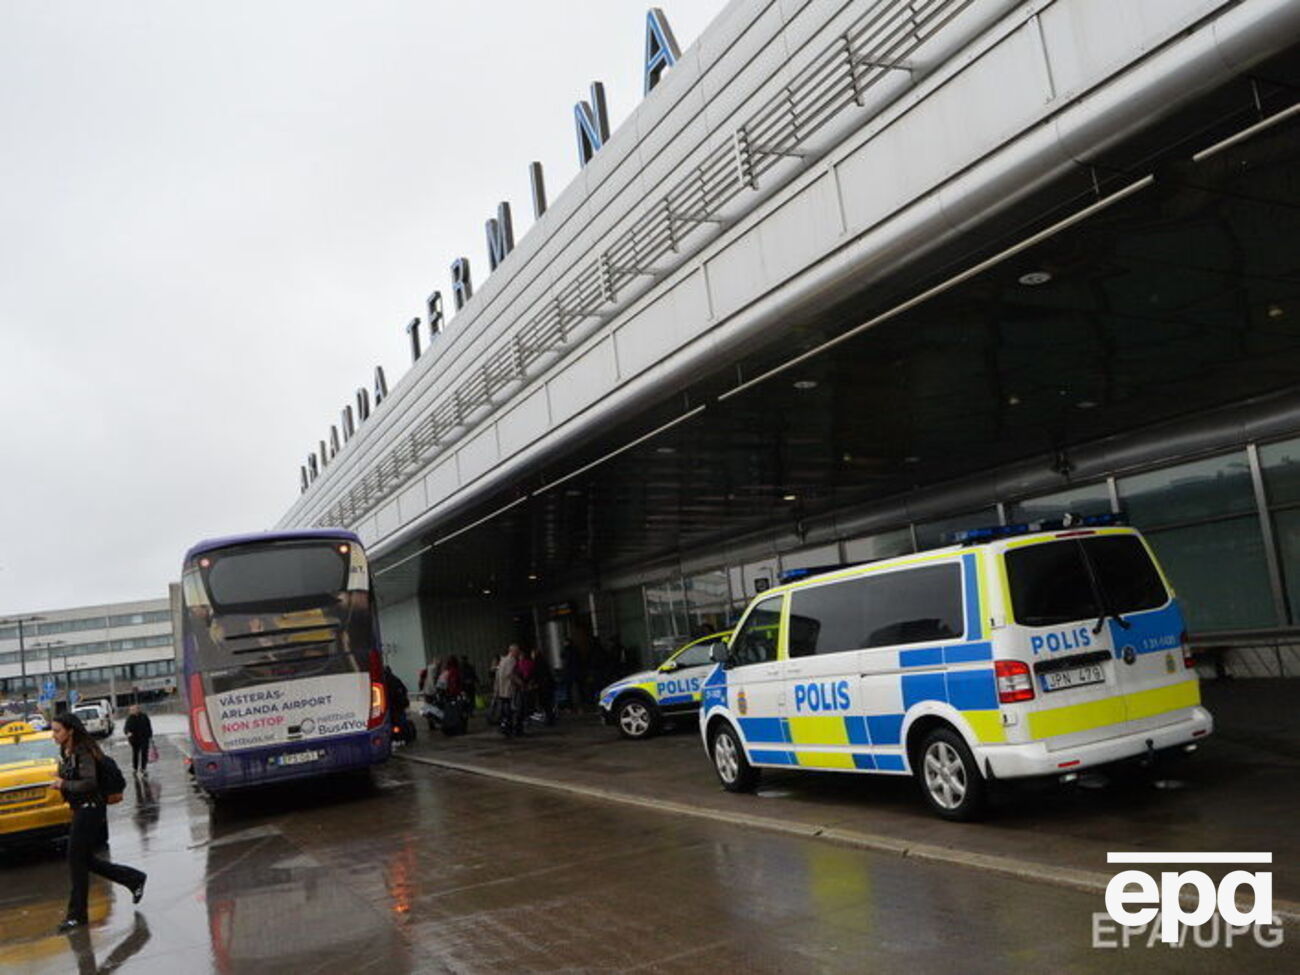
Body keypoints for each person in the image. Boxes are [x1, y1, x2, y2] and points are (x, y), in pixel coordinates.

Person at [51, 712, 146, 933]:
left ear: (70, 730)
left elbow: (89, 783)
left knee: (76, 860)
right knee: (83, 860)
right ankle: (134, 878)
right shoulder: (66, 750)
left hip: (90, 809)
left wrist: (62, 784)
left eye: (57, 730)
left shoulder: (82, 750)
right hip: (81, 810)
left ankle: (77, 916)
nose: (53, 735)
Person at [493, 644, 520, 737]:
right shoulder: (511, 660)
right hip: (509, 689)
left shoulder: (503, 660)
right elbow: (510, 674)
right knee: (511, 710)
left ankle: (505, 727)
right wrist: (519, 682)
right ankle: (510, 728)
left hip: (502, 689)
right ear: (512, 651)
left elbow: (498, 675)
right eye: (517, 651)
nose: (518, 653)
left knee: (505, 710)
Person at [123, 705, 153, 777]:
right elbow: (126, 728)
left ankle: (143, 768)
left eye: (133, 709)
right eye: (131, 710)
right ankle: (135, 768)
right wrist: (128, 733)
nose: (132, 711)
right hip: (134, 739)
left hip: (144, 738)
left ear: (138, 710)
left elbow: (148, 725)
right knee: (135, 754)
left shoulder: (144, 716)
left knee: (144, 753)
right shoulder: (129, 718)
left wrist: (150, 735)